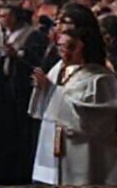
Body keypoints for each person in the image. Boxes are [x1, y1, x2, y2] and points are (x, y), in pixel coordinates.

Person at [29, 23, 117, 185]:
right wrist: (43, 89)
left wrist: (51, 91)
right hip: (55, 145)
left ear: (85, 47)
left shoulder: (100, 78)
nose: (65, 54)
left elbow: (95, 121)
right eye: (61, 48)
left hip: (85, 150)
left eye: (71, 47)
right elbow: (44, 109)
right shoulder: (58, 69)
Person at [0, 4, 48, 184]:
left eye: (5, 15)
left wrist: (18, 54)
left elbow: (37, 62)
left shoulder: (32, 35)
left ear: (15, 17)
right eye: (0, 15)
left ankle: (22, 173)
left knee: (21, 133)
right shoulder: (1, 35)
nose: (1, 18)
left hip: (22, 91)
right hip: (4, 91)